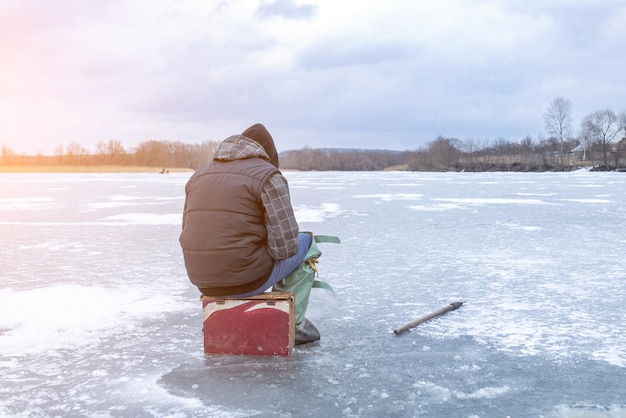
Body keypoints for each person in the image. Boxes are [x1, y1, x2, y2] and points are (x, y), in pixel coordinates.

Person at [179, 123, 320, 344]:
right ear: (268, 154)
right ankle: (293, 324)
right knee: (307, 243)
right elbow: (285, 247)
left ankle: (223, 317)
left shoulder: (199, 175)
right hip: (247, 279)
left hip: (202, 280)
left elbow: (188, 232)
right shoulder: (268, 175)